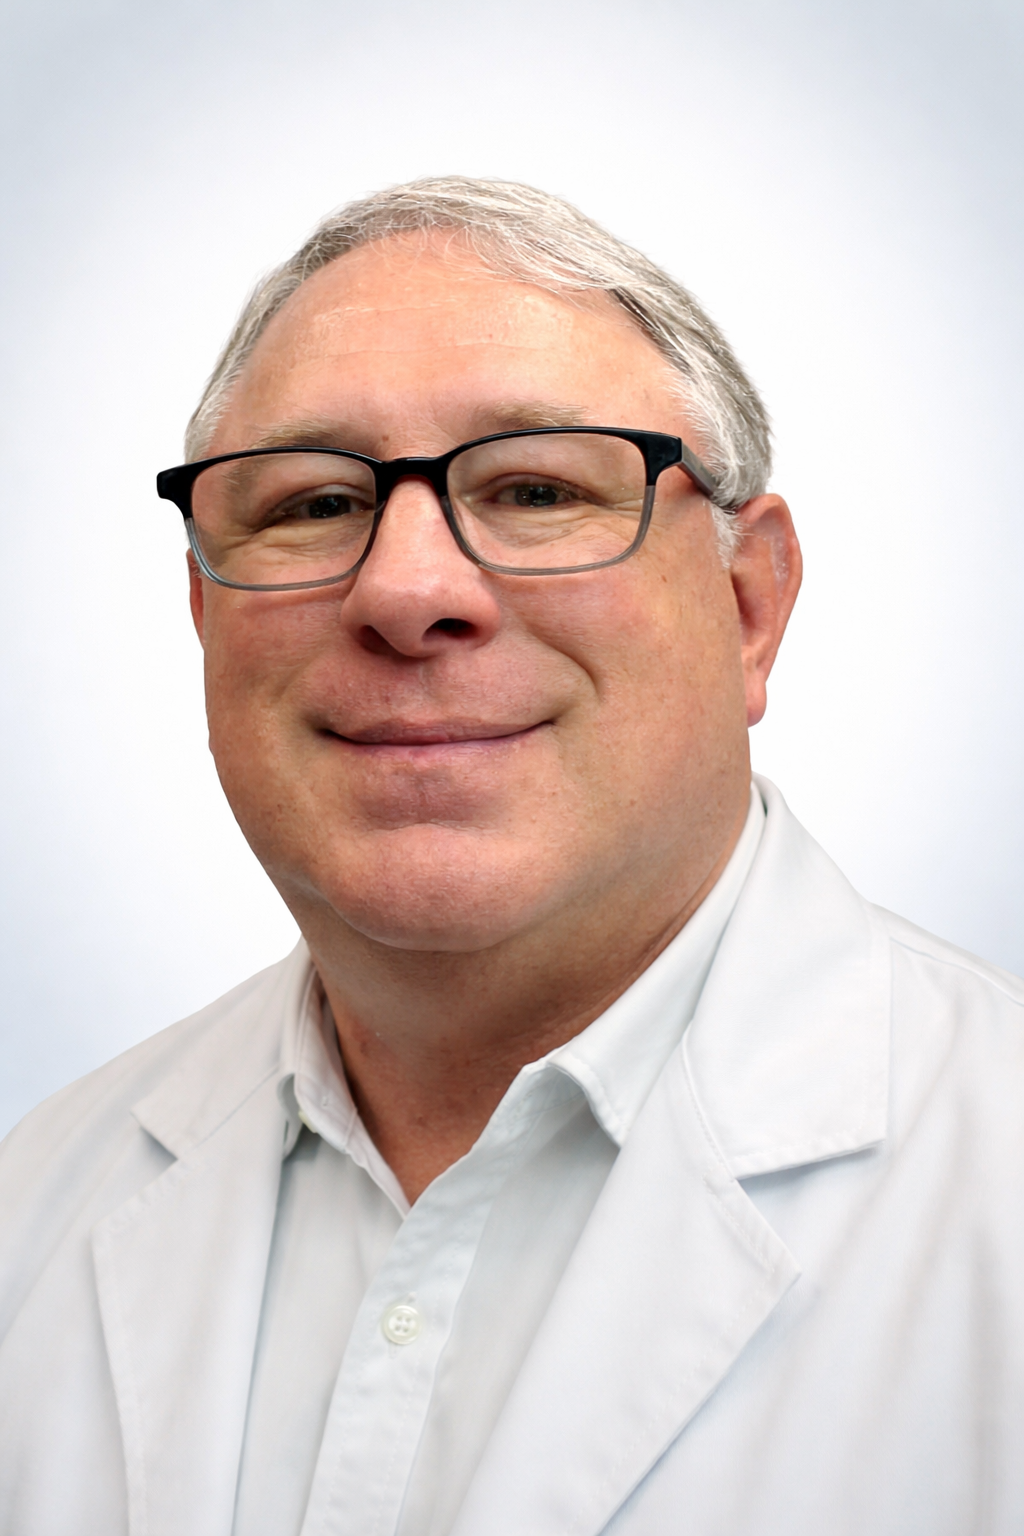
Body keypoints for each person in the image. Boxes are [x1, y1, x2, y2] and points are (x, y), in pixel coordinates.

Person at [1, 176, 1022, 1536]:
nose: (406, 591)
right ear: (202, 613)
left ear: (748, 606)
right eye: (312, 505)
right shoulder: (32, 1207)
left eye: (537, 488)